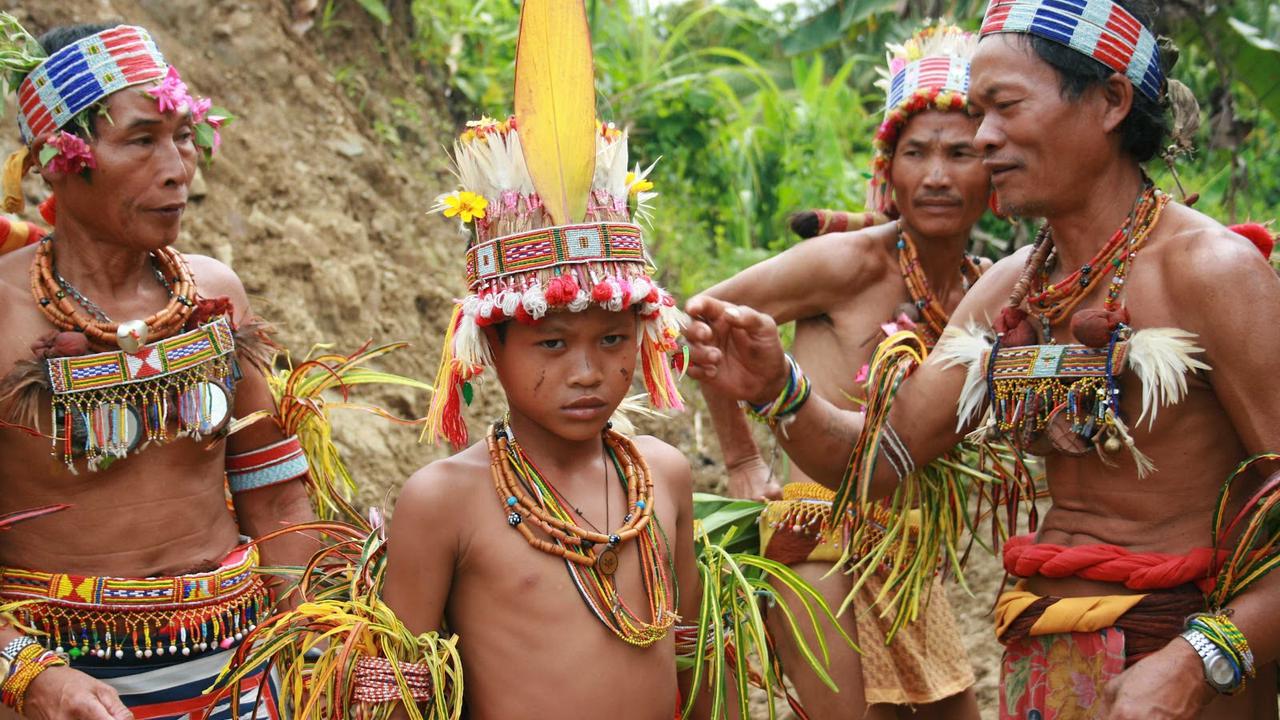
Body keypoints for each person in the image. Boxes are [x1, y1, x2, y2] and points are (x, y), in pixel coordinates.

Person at [683, 0, 1280, 718]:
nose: (985, 137)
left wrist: (1200, 659)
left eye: (1004, 108)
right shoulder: (1013, 286)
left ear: (1110, 101)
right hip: (1039, 656)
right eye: (978, 112)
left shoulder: (1212, 271)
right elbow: (881, 462)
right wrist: (781, 389)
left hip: (1180, 673)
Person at [0, 19, 316, 719]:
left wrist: (319, 634)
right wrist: (33, 676)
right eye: (141, 140)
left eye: (182, 136)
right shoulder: (3, 317)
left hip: (242, 669)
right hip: (67, 689)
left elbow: (274, 493)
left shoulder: (214, 294)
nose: (178, 167)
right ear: (59, 157)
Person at [699, 24, 984, 720]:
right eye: (916, 153)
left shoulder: (983, 289)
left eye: (960, 152)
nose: (938, 174)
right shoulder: (851, 261)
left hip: (909, 554)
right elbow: (702, 319)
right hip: (817, 542)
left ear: (996, 168)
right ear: (889, 171)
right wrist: (739, 457)